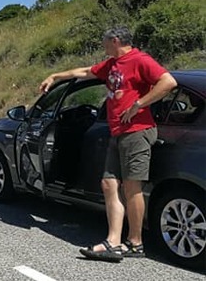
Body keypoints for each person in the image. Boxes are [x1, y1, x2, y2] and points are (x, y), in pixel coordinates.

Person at [39, 26, 177, 262]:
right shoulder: (112, 64)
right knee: (109, 184)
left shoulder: (140, 60)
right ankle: (113, 241)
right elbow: (84, 72)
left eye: (104, 42)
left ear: (115, 40)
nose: (103, 46)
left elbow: (168, 81)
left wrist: (139, 104)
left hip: (137, 132)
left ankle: (135, 243)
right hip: (117, 132)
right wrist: (55, 76)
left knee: (132, 188)